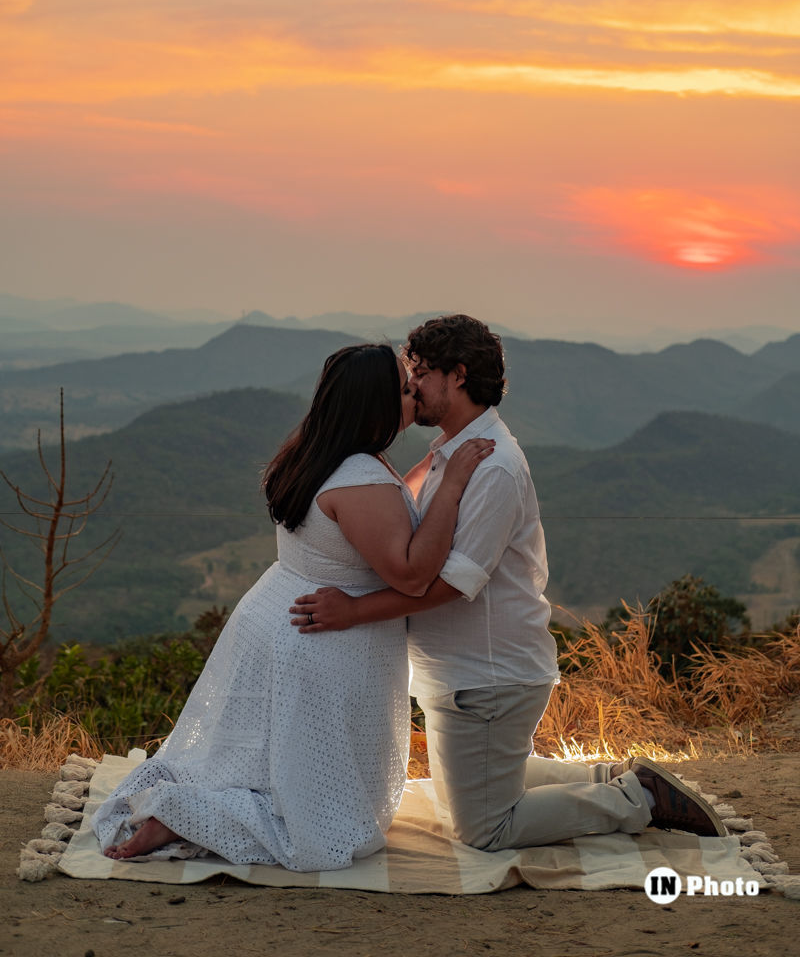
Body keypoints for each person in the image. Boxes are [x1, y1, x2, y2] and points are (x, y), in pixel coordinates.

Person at [291, 315, 725, 847]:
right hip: (462, 670)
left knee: (485, 829)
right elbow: (393, 503)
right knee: (467, 794)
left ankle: (638, 799)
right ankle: (609, 777)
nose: (411, 386)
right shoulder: (452, 452)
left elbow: (453, 583)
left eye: (422, 373)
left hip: (488, 675)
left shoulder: (493, 467)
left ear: (457, 375)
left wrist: (353, 611)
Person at [91, 343, 493, 871]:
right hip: (324, 642)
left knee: (268, 764)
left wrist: (428, 466)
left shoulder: (315, 449)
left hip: (278, 618)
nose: (413, 391)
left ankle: (188, 808)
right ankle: (183, 814)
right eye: (401, 388)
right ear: (373, 404)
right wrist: (454, 484)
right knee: (337, 821)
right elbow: (414, 574)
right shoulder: (361, 478)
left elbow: (378, 502)